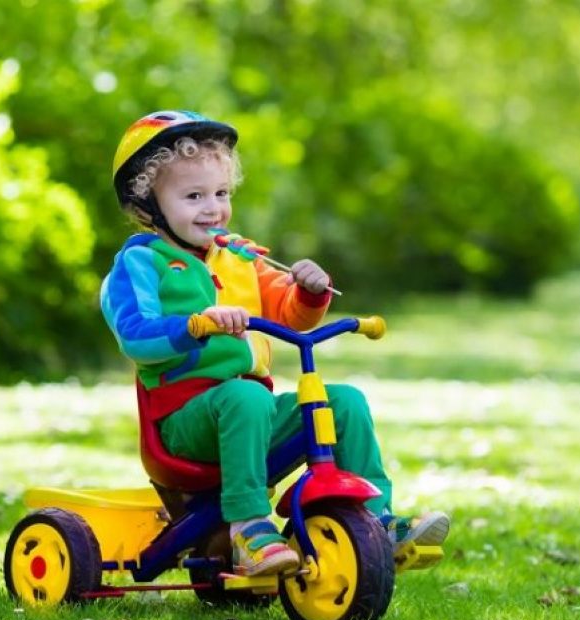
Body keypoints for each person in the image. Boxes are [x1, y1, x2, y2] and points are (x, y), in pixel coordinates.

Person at [100, 110, 449, 577]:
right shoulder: (141, 263)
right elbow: (135, 336)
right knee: (244, 397)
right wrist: (196, 325)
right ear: (148, 201)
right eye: (194, 196)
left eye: (222, 194)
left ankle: (376, 521)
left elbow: (290, 312)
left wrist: (309, 289)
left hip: (251, 411)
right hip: (183, 422)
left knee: (341, 402)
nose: (213, 208)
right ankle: (249, 527)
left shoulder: (239, 256)